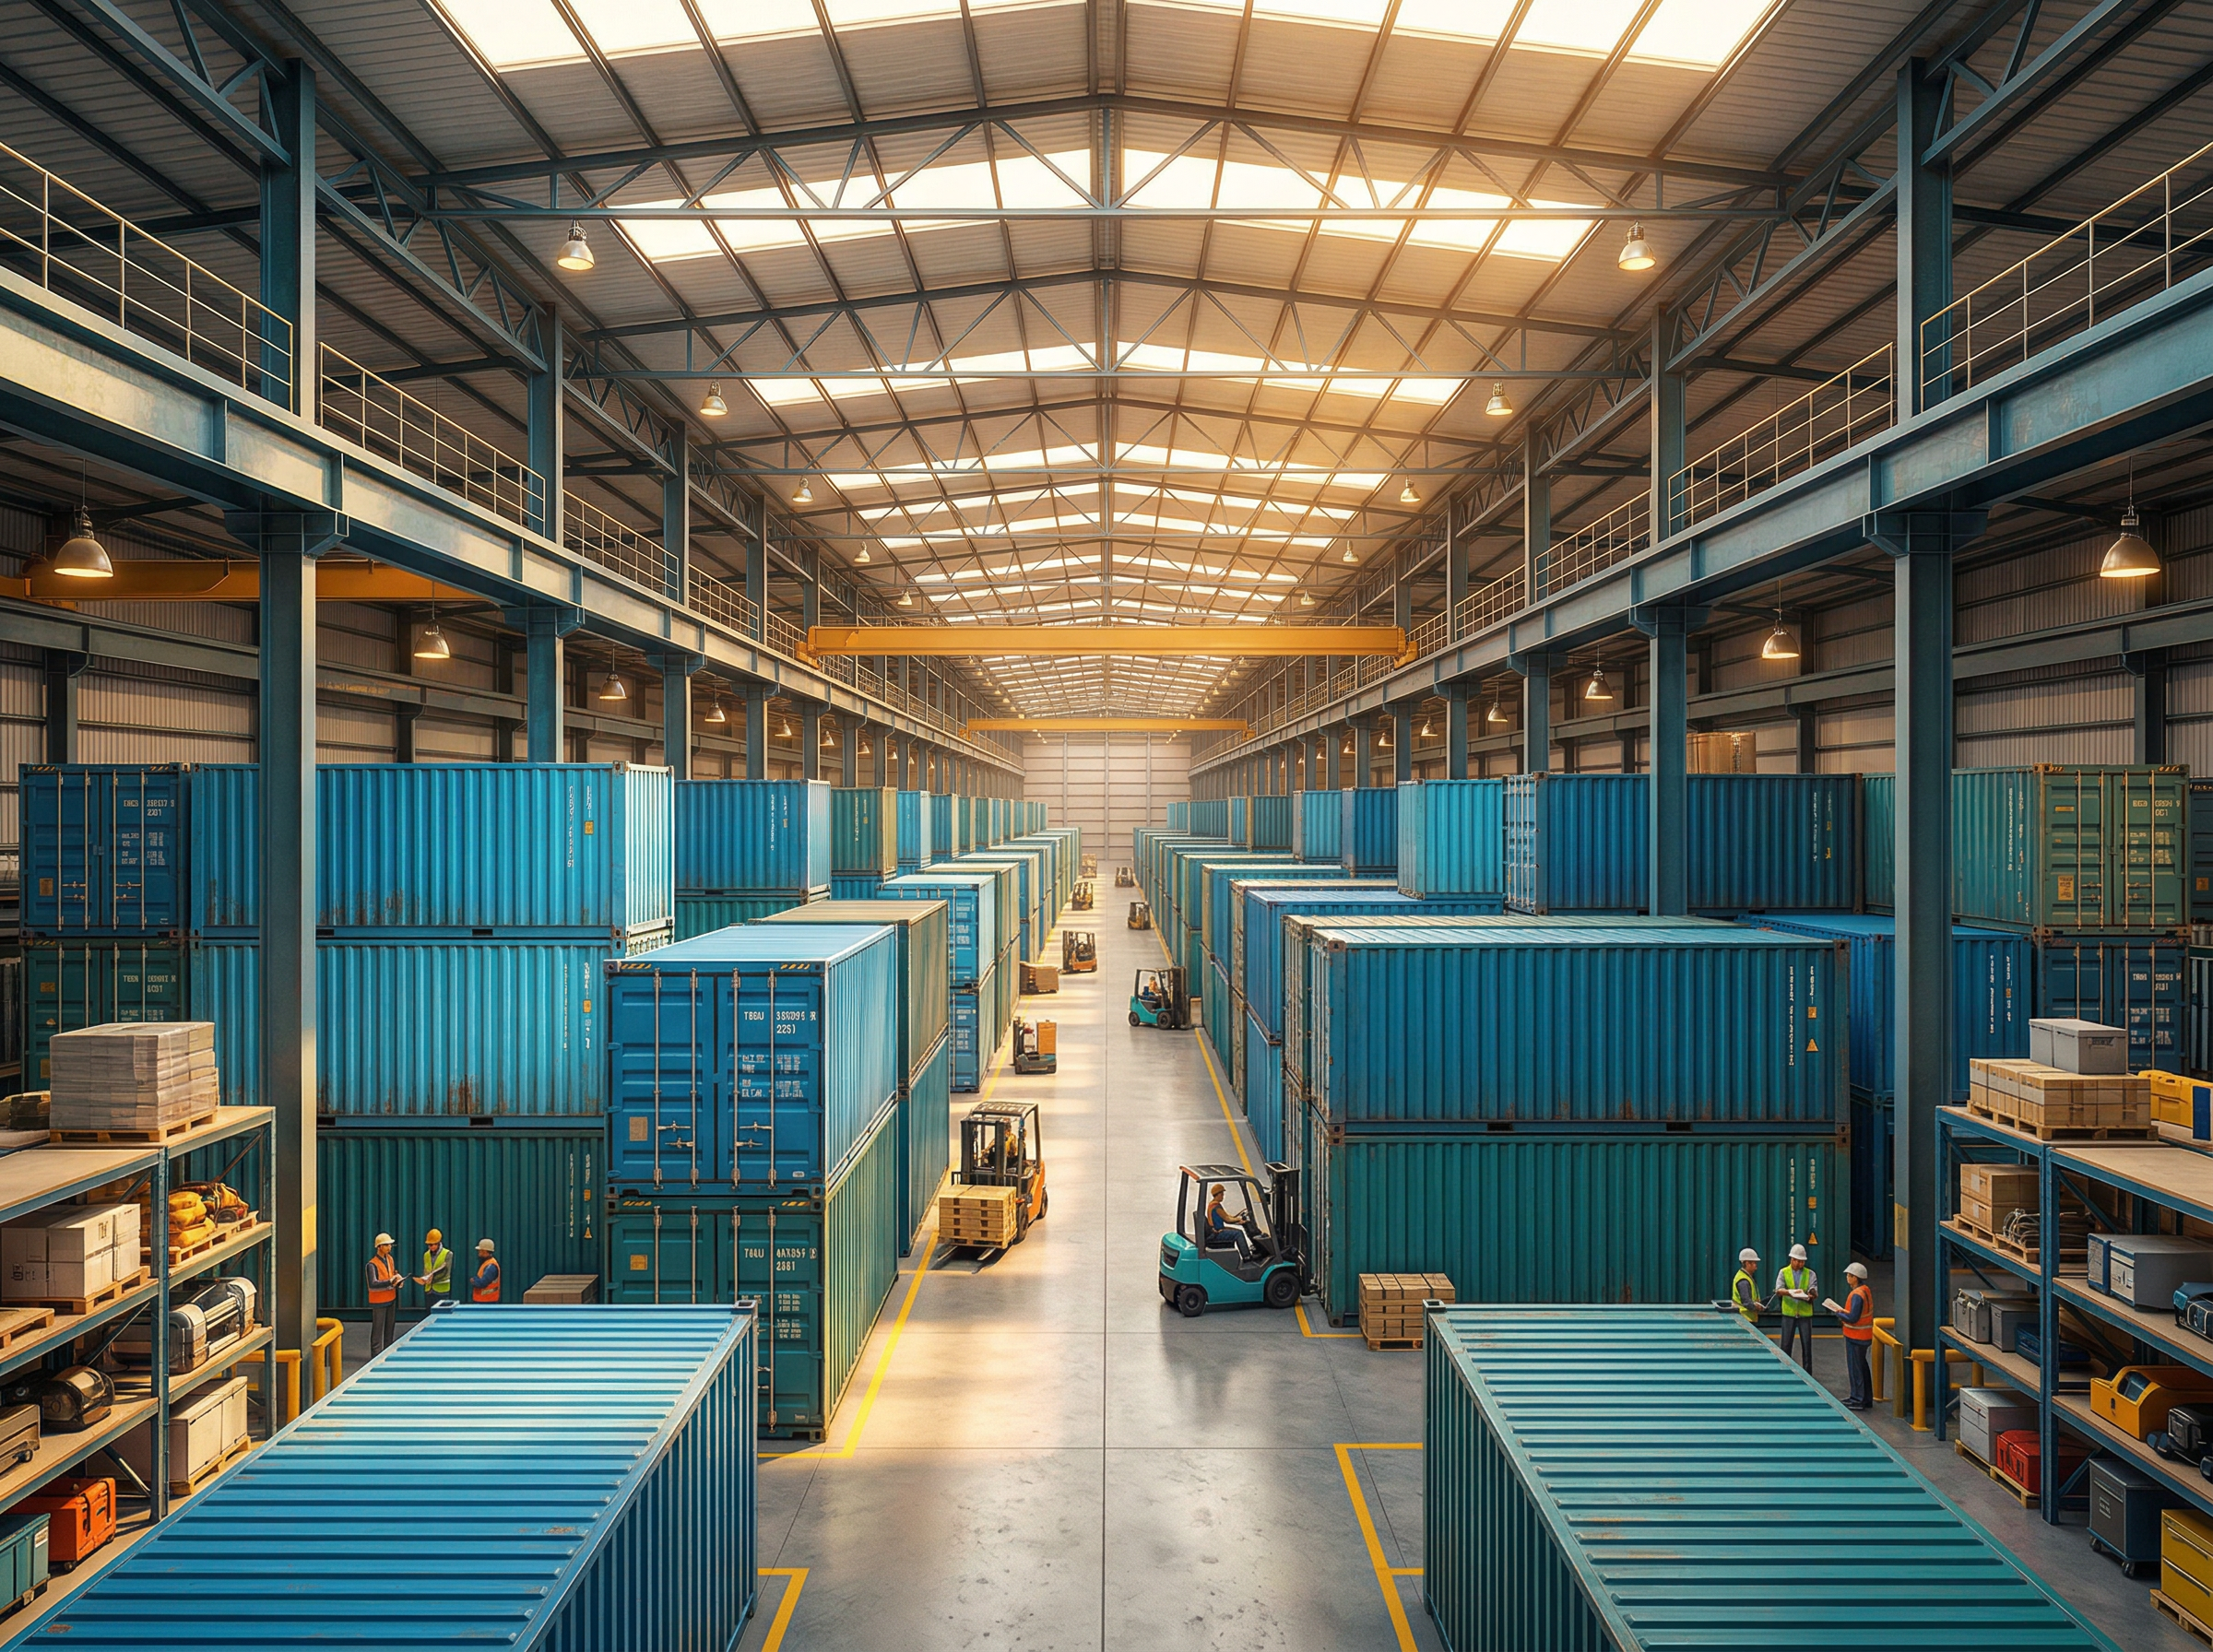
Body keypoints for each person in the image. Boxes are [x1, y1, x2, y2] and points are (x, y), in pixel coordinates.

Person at [1825, 1262, 1876, 1410]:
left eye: (1849, 1275)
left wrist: (1839, 1313)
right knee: (1862, 1367)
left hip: (1856, 1336)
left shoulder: (1857, 1295)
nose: (1847, 1278)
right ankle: (1866, 1398)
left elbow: (1853, 1317)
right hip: (1864, 1336)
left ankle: (1857, 1399)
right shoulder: (1865, 1290)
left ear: (1856, 1277)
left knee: (1856, 1369)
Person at [1775, 1244, 1818, 1372]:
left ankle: (1808, 1374)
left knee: (1807, 1346)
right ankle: (1784, 1372)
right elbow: (1778, 1290)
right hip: (1789, 1313)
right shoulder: (1783, 1272)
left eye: (1802, 1261)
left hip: (1805, 1314)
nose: (1800, 1264)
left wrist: (1811, 1294)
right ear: (1792, 1259)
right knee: (1786, 1346)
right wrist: (1791, 1292)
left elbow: (1814, 1290)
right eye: (1798, 1261)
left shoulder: (1810, 1274)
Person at [366, 1233, 403, 1356]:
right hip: (379, 1301)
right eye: (386, 1245)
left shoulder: (390, 1259)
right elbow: (373, 1283)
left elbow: (391, 1274)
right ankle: (375, 1356)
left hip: (391, 1298)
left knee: (389, 1329)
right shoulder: (371, 1265)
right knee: (377, 1330)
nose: (389, 1247)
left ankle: (388, 1353)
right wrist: (390, 1281)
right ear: (379, 1247)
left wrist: (398, 1281)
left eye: (390, 1245)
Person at [1205, 1184, 1253, 1263]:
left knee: (1236, 1231)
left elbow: (1227, 1216)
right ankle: (1247, 1257)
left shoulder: (1212, 1204)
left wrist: (1237, 1219)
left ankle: (1246, 1255)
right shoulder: (1216, 1206)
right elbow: (1227, 1219)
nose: (1223, 1196)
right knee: (1238, 1233)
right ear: (1217, 1194)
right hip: (1217, 1233)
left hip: (1216, 1231)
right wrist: (1239, 1219)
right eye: (1222, 1194)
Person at [415, 1228, 453, 1308]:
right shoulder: (426, 1255)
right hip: (429, 1290)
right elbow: (426, 1269)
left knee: (442, 1314)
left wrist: (431, 1279)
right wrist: (424, 1278)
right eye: (429, 1245)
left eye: (432, 1245)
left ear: (438, 1243)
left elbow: (446, 1272)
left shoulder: (448, 1254)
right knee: (429, 1313)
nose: (430, 1247)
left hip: (442, 1291)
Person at [1730, 1247, 1768, 1322]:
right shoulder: (1743, 1280)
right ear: (1747, 1263)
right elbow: (1746, 1302)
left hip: (1746, 1318)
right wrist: (1757, 1307)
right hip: (1744, 1319)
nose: (1756, 1266)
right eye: (1754, 1263)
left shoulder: (1746, 1277)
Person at [470, 1237, 502, 1304]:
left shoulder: (491, 1266)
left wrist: (474, 1280)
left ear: (484, 1251)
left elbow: (482, 1283)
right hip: (484, 1300)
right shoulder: (487, 1263)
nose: (478, 1253)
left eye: (480, 1251)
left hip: (487, 1301)